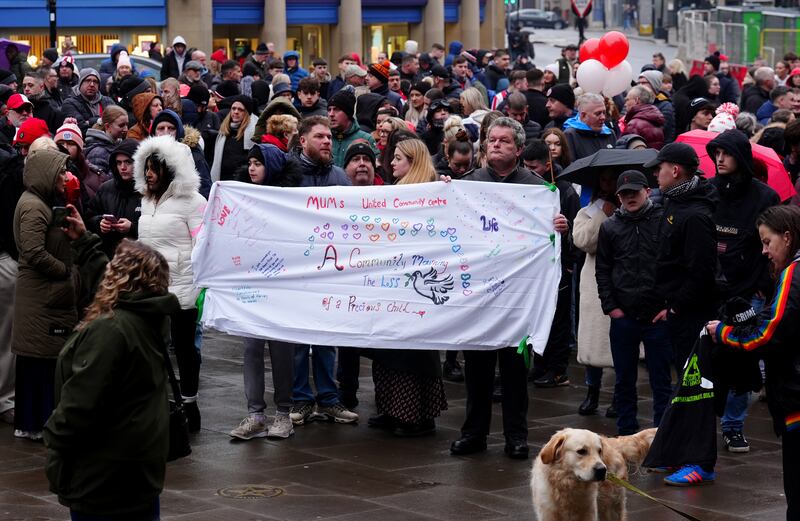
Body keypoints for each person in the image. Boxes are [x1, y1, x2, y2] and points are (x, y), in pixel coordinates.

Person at [44, 209, 177, 521]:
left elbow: (80, 404)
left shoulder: (110, 330)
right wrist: (87, 243)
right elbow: (111, 281)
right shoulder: (149, 314)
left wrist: (54, 442)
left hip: (105, 473)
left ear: (122, 279)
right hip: (137, 469)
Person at [450, 117, 569, 459]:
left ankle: (516, 436)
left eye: (504, 141)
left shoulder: (537, 189)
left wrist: (560, 227)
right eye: (491, 140)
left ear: (518, 149)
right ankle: (474, 433)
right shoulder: (469, 183)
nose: (496, 145)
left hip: (518, 297)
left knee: (516, 373)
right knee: (477, 371)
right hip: (480, 295)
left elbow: (558, 247)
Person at [706, 205, 800, 520]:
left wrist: (724, 332)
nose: (764, 251)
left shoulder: (793, 273)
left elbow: (766, 334)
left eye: (767, 242)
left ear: (787, 237)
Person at [643, 143, 719, 486]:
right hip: (678, 312)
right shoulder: (676, 204)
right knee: (683, 386)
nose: (655, 173)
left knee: (696, 388)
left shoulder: (696, 215)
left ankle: (699, 461)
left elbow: (700, 273)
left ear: (675, 171)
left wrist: (676, 305)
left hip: (694, 317)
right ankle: (675, 452)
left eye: (660, 168)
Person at [367, 138, 448, 436]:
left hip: (418, 285)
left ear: (413, 161)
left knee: (413, 352)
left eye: (398, 158)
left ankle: (416, 414)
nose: (391, 163)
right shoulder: (393, 192)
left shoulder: (434, 191)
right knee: (387, 348)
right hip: (391, 282)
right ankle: (390, 409)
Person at [706, 129, 780, 454]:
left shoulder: (764, 197)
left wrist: (764, 286)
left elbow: (773, 244)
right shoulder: (709, 191)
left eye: (726, 153)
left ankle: (733, 426)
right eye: (716, 153)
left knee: (744, 359)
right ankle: (703, 420)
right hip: (710, 289)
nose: (720, 159)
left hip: (748, 291)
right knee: (708, 360)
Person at [228, 144, 302, 441]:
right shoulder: (243, 198)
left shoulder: (287, 201)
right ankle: (256, 413)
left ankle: (283, 413)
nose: (252, 168)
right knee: (251, 348)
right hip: (252, 285)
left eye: (258, 163)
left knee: (282, 351)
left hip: (281, 287)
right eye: (250, 163)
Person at [133, 135, 206, 431]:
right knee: (152, 346)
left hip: (181, 286)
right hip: (151, 286)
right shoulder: (146, 200)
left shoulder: (193, 202)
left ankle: (189, 402)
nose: (149, 174)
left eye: (155, 168)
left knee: (185, 348)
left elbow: (202, 243)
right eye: (146, 168)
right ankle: (161, 400)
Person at [287, 116, 357, 426]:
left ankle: (329, 399)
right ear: (302, 141)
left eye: (329, 137)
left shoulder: (340, 177)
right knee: (300, 338)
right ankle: (301, 399)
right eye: (319, 137)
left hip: (330, 268)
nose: (327, 141)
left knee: (327, 335)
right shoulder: (287, 175)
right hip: (297, 268)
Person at [596, 171, 672, 436]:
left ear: (647, 192)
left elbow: (674, 263)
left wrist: (668, 306)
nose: (630, 198)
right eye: (624, 194)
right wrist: (611, 307)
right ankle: (627, 431)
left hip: (657, 314)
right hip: (624, 315)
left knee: (661, 379)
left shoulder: (664, 221)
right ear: (618, 197)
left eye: (635, 192)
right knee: (624, 379)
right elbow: (603, 269)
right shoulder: (610, 227)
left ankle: (662, 433)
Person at [12, 148, 76, 441]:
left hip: (40, 296)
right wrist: (64, 270)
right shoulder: (35, 206)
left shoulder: (39, 202)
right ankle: (35, 423)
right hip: (40, 297)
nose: (65, 176)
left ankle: (31, 423)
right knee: (39, 362)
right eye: (61, 171)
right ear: (46, 173)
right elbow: (34, 251)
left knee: (37, 361)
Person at [522, 140, 580, 388]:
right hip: (536, 265)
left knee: (558, 320)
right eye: (525, 166)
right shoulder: (526, 185)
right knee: (538, 317)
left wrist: (566, 234)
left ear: (547, 165)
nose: (528, 170)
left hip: (559, 266)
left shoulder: (565, 190)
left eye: (533, 166)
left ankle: (558, 370)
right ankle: (542, 364)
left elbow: (576, 230)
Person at [572, 170, 619, 417]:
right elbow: (583, 241)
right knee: (592, 341)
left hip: (622, 282)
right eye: (604, 179)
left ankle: (620, 395)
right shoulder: (589, 211)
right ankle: (592, 391)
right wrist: (602, 214)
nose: (608, 183)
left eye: (612, 179)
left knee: (620, 341)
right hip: (593, 284)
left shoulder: (631, 208)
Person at [85, 139, 141, 257]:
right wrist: (100, 222)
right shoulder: (106, 188)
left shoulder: (148, 191)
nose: (123, 167)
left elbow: (157, 228)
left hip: (139, 258)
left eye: (128, 162)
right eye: (119, 163)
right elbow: (89, 216)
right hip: (110, 257)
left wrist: (132, 227)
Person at [151, 109, 212, 199]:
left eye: (171, 128)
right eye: (161, 128)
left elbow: (205, 190)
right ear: (154, 132)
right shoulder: (149, 155)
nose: (166, 132)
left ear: (178, 131)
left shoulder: (193, 155)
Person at [210, 95, 256, 182]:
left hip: (241, 183)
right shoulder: (223, 132)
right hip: (223, 181)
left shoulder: (253, 135)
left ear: (247, 113)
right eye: (233, 108)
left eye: (240, 109)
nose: (236, 112)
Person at [328, 89, 377, 168]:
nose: (331, 114)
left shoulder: (366, 138)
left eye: (336, 109)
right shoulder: (326, 137)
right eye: (329, 110)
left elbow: (375, 168)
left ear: (348, 113)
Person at [61, 68, 116, 135]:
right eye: (88, 80)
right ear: (80, 83)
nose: (92, 84)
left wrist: (90, 121)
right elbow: (80, 128)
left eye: (95, 81)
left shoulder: (108, 101)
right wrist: (101, 121)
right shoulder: (70, 103)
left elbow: (117, 123)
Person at [564, 93, 616, 161]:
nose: (603, 117)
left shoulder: (610, 133)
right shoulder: (570, 135)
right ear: (583, 116)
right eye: (598, 113)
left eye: (604, 112)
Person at [84, 105, 128, 178]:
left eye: (127, 124)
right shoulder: (97, 153)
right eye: (121, 125)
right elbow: (98, 181)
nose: (126, 129)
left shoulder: (118, 144)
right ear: (107, 126)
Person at [638, 70, 676, 144]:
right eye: (638, 83)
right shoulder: (639, 102)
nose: (640, 86)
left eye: (643, 83)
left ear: (653, 84)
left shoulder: (665, 105)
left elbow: (660, 131)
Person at [622, 85, 665, 150]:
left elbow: (625, 152)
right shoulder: (654, 118)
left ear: (637, 100)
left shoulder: (634, 124)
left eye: (627, 100)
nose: (625, 104)